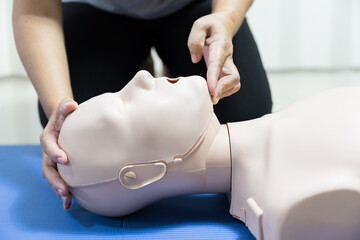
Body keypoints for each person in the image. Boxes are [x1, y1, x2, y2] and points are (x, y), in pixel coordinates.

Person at [12, 0, 272, 209]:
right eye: (122, 102)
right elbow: (35, 10)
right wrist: (59, 110)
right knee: (74, 137)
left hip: (193, 8)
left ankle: (169, 67)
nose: (142, 79)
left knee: (245, 112)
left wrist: (225, 17)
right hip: (99, 13)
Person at [58, 70, 360, 240]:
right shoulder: (295, 201)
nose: (141, 77)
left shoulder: (287, 124)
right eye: (123, 106)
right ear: (142, 173)